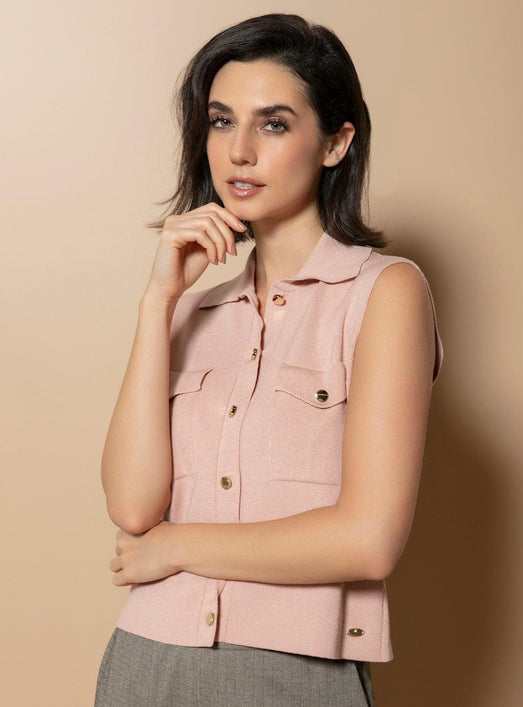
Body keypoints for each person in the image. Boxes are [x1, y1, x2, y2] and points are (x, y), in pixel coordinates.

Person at [94, 12, 443, 707]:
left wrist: (175, 546)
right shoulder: (191, 310)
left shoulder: (384, 293)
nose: (238, 151)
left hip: (291, 670)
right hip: (144, 661)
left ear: (336, 143)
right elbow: (133, 507)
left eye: (273, 124)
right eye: (221, 121)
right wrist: (157, 303)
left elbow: (367, 539)